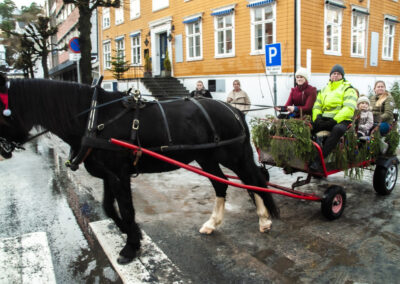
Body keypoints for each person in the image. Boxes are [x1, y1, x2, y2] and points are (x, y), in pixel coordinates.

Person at [310, 64, 358, 171]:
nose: (335, 76)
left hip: (341, 120)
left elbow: (348, 109)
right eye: (333, 73)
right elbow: (317, 106)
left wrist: (334, 121)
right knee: (308, 127)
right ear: (330, 75)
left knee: (337, 130)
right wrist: (317, 118)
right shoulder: (324, 89)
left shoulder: (348, 89)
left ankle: (319, 161)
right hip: (324, 118)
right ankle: (307, 155)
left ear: (342, 76)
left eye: (338, 74)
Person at [369, 80, 395, 154]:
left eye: (382, 86)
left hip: (384, 123)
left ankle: (380, 147)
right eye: (378, 87)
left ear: (385, 88)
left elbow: (388, 113)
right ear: (374, 89)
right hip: (372, 121)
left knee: (375, 130)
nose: (380, 88)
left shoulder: (388, 98)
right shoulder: (372, 98)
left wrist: (377, 119)